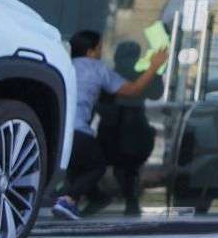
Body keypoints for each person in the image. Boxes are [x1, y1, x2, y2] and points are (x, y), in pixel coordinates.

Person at [50, 30, 166, 220]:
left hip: (55, 130)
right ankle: (68, 199)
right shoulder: (98, 68)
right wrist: (154, 67)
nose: (102, 53)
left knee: (77, 165)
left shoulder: (62, 65)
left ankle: (95, 198)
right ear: (90, 51)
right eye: (99, 49)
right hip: (79, 130)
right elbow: (133, 89)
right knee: (96, 167)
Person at [95, 40, 161, 216]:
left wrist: (155, 70)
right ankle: (95, 198)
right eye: (124, 56)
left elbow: (156, 93)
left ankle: (130, 202)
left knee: (127, 169)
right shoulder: (108, 76)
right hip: (114, 128)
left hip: (132, 129)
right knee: (98, 165)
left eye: (130, 56)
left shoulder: (138, 76)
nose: (126, 60)